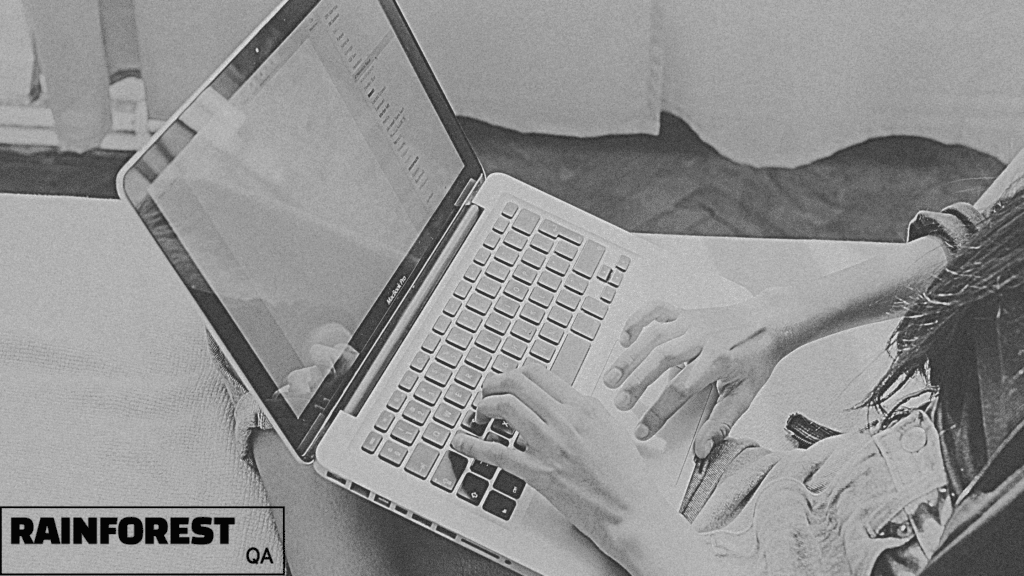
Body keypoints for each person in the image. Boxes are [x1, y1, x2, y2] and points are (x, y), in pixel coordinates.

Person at [249, 153, 1024, 575]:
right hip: (825, 485)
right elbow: (993, 239)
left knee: (295, 422)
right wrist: (777, 318)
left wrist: (629, 515)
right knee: (372, 377)